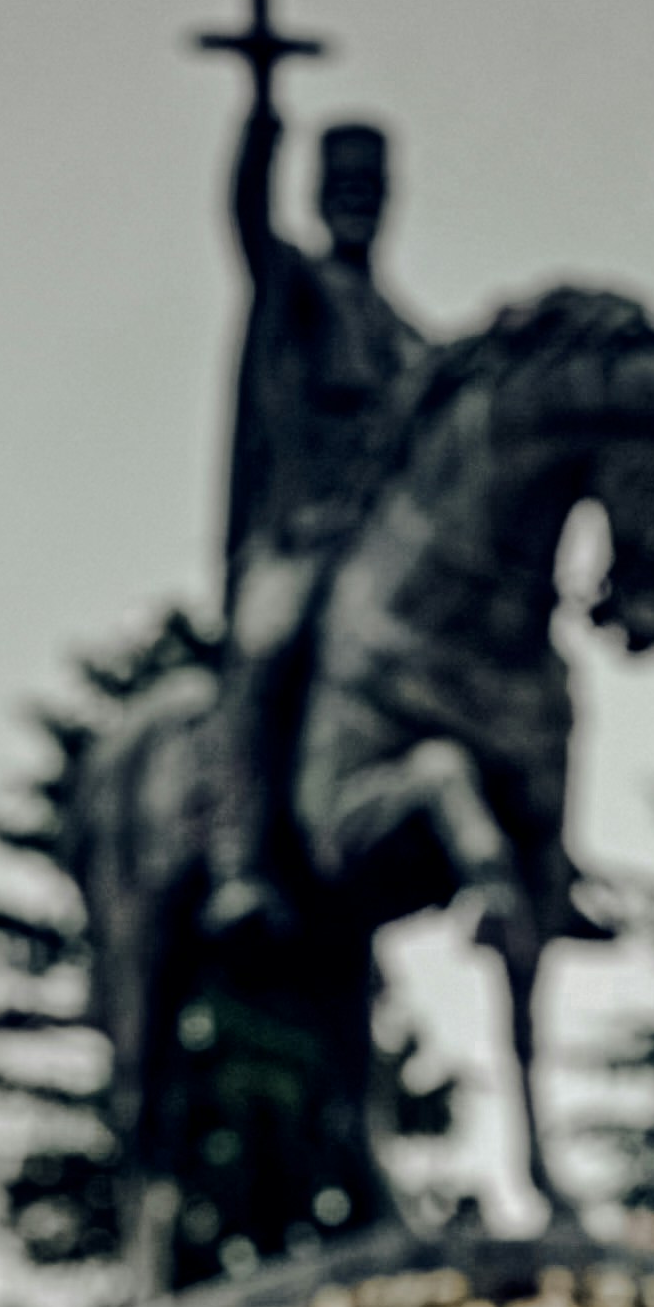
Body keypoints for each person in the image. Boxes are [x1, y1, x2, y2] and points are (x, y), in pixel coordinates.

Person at [210, 107, 427, 930]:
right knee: (264, 648)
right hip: (296, 543)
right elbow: (246, 221)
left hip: (376, 557)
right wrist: (259, 133)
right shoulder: (294, 289)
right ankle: (237, 856)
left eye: (371, 190)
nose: (358, 204)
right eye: (342, 189)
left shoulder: (403, 332)